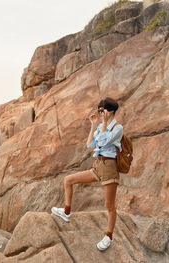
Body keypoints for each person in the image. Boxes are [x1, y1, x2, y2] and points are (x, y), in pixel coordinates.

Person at [51, 97, 123, 251]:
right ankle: (67, 212)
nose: (100, 113)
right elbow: (90, 144)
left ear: (110, 111)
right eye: (99, 110)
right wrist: (93, 125)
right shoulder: (100, 126)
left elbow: (103, 143)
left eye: (101, 110)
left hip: (110, 167)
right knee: (68, 180)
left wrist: (103, 124)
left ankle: (108, 236)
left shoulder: (118, 128)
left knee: (109, 205)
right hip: (97, 166)